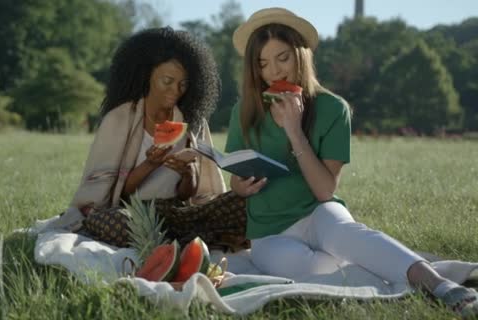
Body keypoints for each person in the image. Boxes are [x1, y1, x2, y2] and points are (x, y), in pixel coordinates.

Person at [225, 7, 478, 317]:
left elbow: (324, 192)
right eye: (263, 63)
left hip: (319, 211)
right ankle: (403, 291)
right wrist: (242, 185)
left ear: (300, 55)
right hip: (268, 232)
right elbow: (234, 181)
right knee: (311, 267)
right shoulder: (245, 110)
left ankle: (441, 285)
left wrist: (294, 131)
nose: (274, 72)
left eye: (283, 58)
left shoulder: (333, 109)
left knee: (350, 234)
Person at [49, 27, 249, 251]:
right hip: (131, 212)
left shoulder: (193, 122)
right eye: (167, 81)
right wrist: (150, 164)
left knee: (245, 204)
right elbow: (117, 193)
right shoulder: (119, 119)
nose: (176, 90)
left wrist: (189, 176)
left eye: (183, 84)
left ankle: (174, 242)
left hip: (179, 214)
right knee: (115, 225)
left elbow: (188, 195)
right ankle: (196, 241)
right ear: (148, 75)